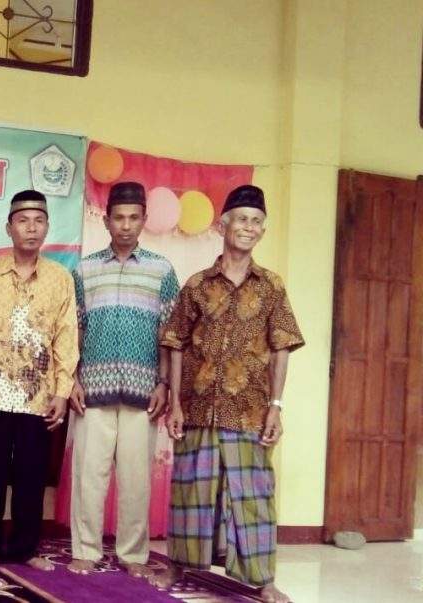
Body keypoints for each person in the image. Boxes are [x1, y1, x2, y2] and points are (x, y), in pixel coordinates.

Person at [149, 185, 304, 603]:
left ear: (262, 231)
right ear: (223, 226)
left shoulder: (271, 286)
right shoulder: (198, 285)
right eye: (242, 219)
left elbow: (281, 347)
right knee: (191, 492)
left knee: (253, 495)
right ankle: (177, 564)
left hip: (250, 410)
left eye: (257, 222)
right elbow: (175, 342)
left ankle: (264, 579)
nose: (249, 228)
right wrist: (176, 403)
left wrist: (276, 406)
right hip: (198, 408)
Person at [67, 181, 179, 577]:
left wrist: (164, 384)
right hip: (92, 390)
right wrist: (72, 379)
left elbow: (169, 334)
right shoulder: (85, 270)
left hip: (143, 391)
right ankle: (86, 550)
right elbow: (75, 329)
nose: (126, 225)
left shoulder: (162, 271)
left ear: (144, 220)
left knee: (135, 480)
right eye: (119, 218)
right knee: (89, 476)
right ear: (106, 220)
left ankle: (133, 555)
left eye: (134, 218)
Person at [0, 189, 79, 571]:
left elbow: (66, 337)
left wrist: (62, 391)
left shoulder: (60, 278)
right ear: (9, 227)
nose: (31, 228)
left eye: (39, 221)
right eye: (23, 221)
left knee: (31, 476)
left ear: (47, 227)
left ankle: (26, 549)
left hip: (38, 395)